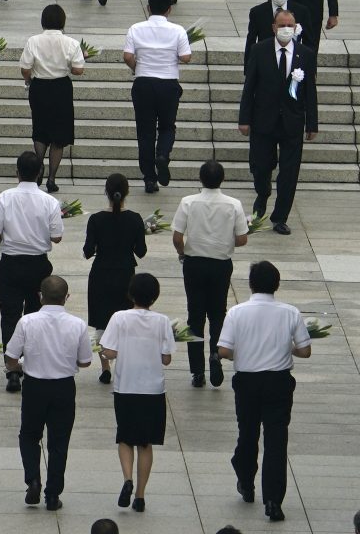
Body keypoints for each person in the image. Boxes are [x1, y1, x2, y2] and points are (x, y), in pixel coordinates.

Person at [218, 260, 312, 523]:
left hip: (247, 382)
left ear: (251, 284)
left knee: (247, 433)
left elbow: (223, 350)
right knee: (276, 441)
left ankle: (246, 481)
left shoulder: (237, 312)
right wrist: (287, 348)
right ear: (277, 285)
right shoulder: (290, 312)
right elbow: (305, 350)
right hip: (278, 382)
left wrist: (242, 353)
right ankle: (273, 500)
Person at [5, 275, 91, 512]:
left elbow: (11, 356)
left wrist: (19, 366)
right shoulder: (77, 324)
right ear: (66, 297)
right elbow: (85, 361)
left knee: (29, 435)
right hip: (64, 387)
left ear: (40, 296)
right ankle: (53, 494)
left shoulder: (27, 321)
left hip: (35, 386)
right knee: (59, 442)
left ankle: (32, 479)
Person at [0, 151, 63, 393]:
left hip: (11, 263)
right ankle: (30, 365)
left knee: (10, 316)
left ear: (17, 172)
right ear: (40, 172)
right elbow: (57, 237)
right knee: (34, 316)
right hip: (38, 265)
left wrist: (6, 238)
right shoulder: (49, 201)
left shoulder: (5, 197)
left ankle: (12, 369)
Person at [239, 8, 318, 235]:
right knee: (261, 166)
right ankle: (262, 194)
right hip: (263, 120)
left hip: (292, 122)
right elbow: (250, 87)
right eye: (282, 25)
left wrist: (312, 123)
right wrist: (244, 119)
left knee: (289, 172)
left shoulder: (305, 54)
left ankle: (280, 216)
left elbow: (310, 91)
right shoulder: (259, 50)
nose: (286, 29)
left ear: (296, 28)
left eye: (290, 25)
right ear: (274, 27)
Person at [100, 272, 174, 514]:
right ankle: (140, 496)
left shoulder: (119, 318)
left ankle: (127, 479)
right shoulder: (162, 321)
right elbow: (166, 359)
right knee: (145, 443)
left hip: (126, 386)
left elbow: (110, 352)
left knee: (125, 437)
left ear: (130, 294)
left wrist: (104, 350)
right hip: (153, 389)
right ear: (155, 296)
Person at [171, 160, 249, 389]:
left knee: (195, 317)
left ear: (200, 178)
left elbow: (177, 237)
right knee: (217, 314)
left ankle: (197, 371)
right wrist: (225, 240)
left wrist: (182, 253)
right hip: (221, 265)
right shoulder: (234, 204)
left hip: (194, 264)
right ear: (222, 179)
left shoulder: (188, 202)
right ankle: (216, 354)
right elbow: (242, 239)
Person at [124, 0, 192, 193]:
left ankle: (149, 179)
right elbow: (186, 57)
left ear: (148, 8)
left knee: (145, 132)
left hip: (143, 83)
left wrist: (137, 68)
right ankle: (162, 154)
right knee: (167, 127)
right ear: (169, 9)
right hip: (168, 84)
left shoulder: (135, 28)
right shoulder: (178, 30)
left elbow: (127, 56)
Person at [83, 173, 147, 384]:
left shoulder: (96, 219)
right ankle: (124, 364)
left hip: (101, 274)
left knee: (102, 324)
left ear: (106, 192)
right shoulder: (135, 218)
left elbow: (88, 251)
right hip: (125, 275)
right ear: (127, 192)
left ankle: (105, 367)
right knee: (125, 321)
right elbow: (141, 251)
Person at [19, 4, 85, 192]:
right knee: (59, 136)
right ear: (63, 22)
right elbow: (78, 70)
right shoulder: (71, 43)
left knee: (40, 129)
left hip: (39, 87)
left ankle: (38, 166)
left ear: (43, 21)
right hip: (61, 88)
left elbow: (25, 68)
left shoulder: (33, 41)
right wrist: (69, 66)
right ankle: (52, 178)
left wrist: (29, 80)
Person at [244, 0, 312, 72]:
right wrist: (248, 69)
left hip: (292, 62)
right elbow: (251, 41)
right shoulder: (257, 12)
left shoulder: (301, 11)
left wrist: (310, 68)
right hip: (265, 62)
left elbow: (309, 42)